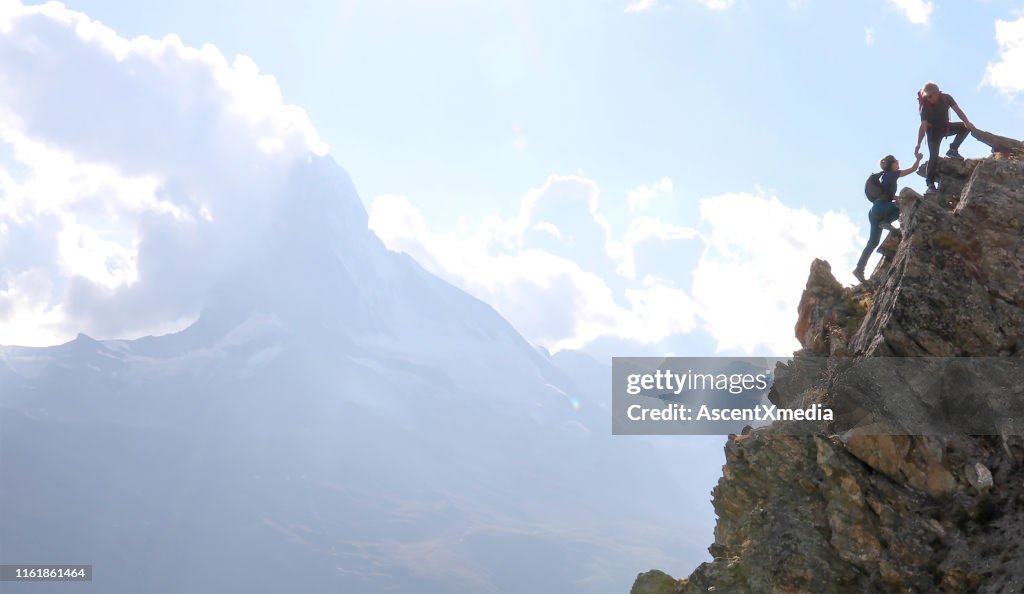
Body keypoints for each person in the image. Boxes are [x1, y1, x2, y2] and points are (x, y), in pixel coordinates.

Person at [853, 152, 922, 283]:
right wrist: (918, 159)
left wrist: (898, 198)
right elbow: (913, 169)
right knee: (904, 205)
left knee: (872, 243)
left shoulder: (884, 177)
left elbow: (889, 196)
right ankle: (886, 221)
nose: (898, 162)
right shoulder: (893, 174)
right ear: (892, 165)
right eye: (896, 161)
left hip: (874, 212)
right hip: (883, 207)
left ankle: (859, 269)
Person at [914, 81, 975, 194]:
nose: (928, 98)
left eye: (930, 96)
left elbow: (958, 111)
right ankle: (930, 184)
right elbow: (923, 127)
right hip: (933, 133)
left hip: (945, 127)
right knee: (934, 157)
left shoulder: (946, 98)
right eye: (926, 96)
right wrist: (918, 144)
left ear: (937, 93)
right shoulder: (925, 107)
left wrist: (967, 122)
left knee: (965, 128)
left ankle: (953, 149)